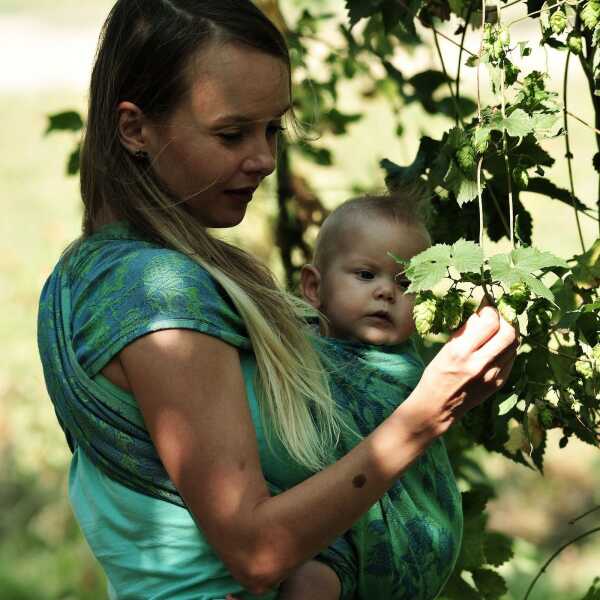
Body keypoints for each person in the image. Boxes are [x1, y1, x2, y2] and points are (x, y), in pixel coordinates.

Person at [36, 1, 517, 599]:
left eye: (272, 128)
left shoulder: (83, 275)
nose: (264, 158)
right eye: (231, 133)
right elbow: (256, 552)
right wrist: (424, 415)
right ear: (135, 128)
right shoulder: (154, 295)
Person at [276, 193, 461, 599]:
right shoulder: (297, 342)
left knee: (309, 578)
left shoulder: (407, 375)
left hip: (403, 535)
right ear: (313, 286)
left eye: (406, 283)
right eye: (365, 275)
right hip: (334, 518)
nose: (386, 293)